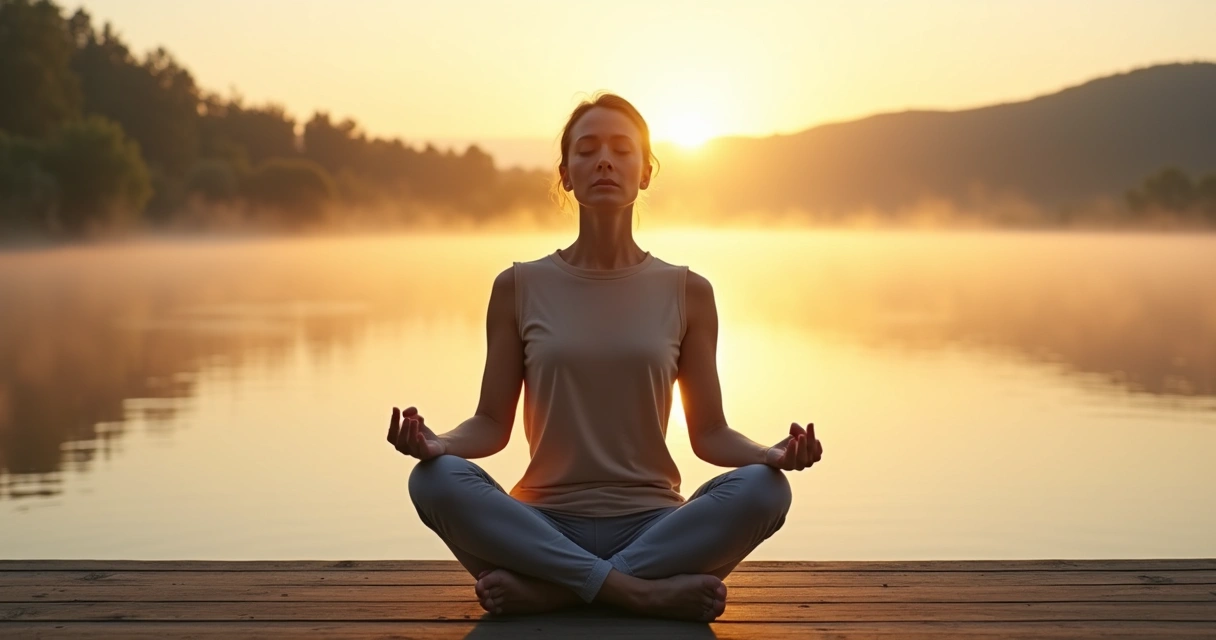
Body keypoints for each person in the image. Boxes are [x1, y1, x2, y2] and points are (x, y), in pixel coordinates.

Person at [386, 93, 824, 623]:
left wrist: (770, 454)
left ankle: (556, 591)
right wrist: (439, 443)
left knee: (764, 490)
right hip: (543, 523)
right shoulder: (518, 286)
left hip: (654, 526)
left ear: (645, 172)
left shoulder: (689, 292)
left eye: (621, 150)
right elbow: (489, 424)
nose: (604, 161)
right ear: (566, 173)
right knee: (433, 479)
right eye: (587, 150)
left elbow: (709, 434)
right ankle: (641, 592)